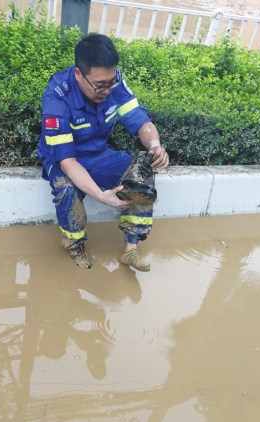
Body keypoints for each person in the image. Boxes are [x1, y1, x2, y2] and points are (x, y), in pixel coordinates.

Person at [38, 33, 169, 271]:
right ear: (79, 74)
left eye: (110, 83)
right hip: (64, 159)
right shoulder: (57, 96)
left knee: (141, 169)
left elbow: (140, 120)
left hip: (99, 154)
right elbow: (67, 161)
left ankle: (131, 250)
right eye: (100, 85)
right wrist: (101, 196)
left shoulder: (112, 83)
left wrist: (155, 145)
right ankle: (74, 244)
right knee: (67, 189)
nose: (107, 90)